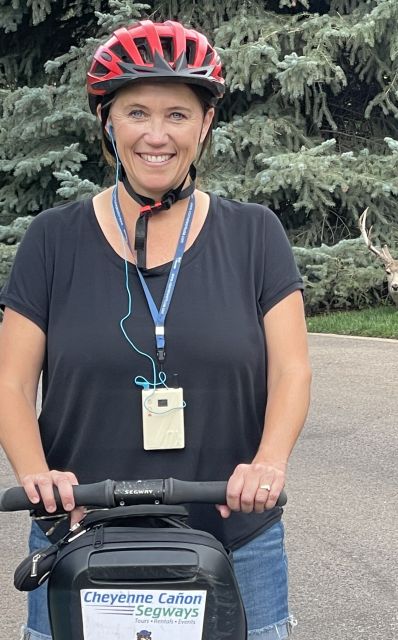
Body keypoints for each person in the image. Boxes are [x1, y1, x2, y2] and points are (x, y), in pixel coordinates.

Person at [0, 20, 311, 640]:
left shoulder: (254, 235)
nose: (157, 134)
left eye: (177, 114)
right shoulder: (53, 240)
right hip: (80, 531)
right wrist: (38, 476)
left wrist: (268, 464)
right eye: (136, 111)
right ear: (107, 122)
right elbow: (10, 382)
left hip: (233, 533)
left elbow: (292, 369)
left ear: (205, 125)